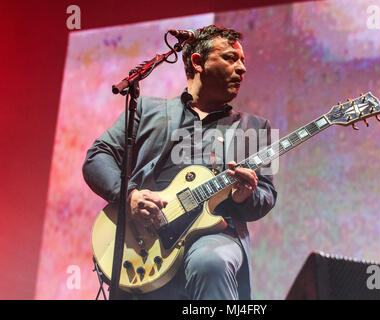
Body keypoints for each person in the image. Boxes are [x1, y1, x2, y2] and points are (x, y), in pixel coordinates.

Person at [83, 25, 277, 300]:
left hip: (215, 234)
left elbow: (266, 194)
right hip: (143, 239)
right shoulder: (148, 111)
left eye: (243, 61)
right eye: (230, 58)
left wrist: (246, 195)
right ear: (197, 62)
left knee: (210, 262)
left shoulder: (254, 127)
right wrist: (129, 196)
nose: (242, 68)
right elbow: (97, 157)